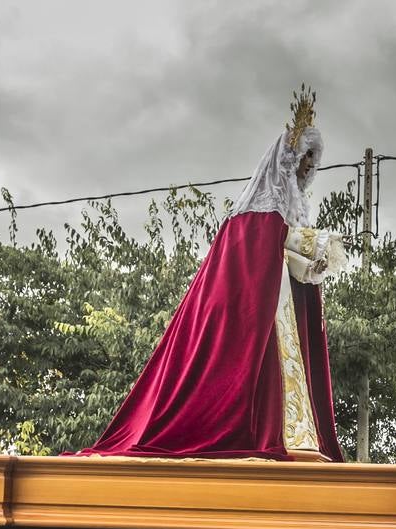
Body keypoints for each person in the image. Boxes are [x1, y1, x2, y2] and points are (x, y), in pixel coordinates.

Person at [75, 87, 345, 461]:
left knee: (289, 374)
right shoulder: (253, 214)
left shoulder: (290, 210)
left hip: (282, 305)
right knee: (263, 372)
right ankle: (265, 433)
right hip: (258, 308)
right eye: (305, 157)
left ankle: (300, 437)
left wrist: (311, 261)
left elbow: (285, 254)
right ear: (287, 158)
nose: (309, 166)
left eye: (314, 160)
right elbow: (257, 256)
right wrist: (298, 245)